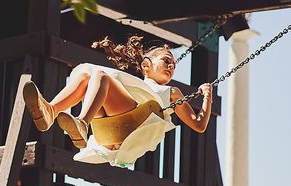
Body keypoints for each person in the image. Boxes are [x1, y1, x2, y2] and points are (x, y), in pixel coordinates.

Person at [23, 35, 214, 167]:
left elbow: (198, 125)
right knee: (90, 77)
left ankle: (81, 122)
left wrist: (207, 97)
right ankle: (51, 111)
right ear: (146, 65)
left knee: (101, 76)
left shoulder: (172, 92)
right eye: (166, 61)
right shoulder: (133, 86)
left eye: (173, 65)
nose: (171, 67)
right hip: (110, 127)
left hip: (134, 124)